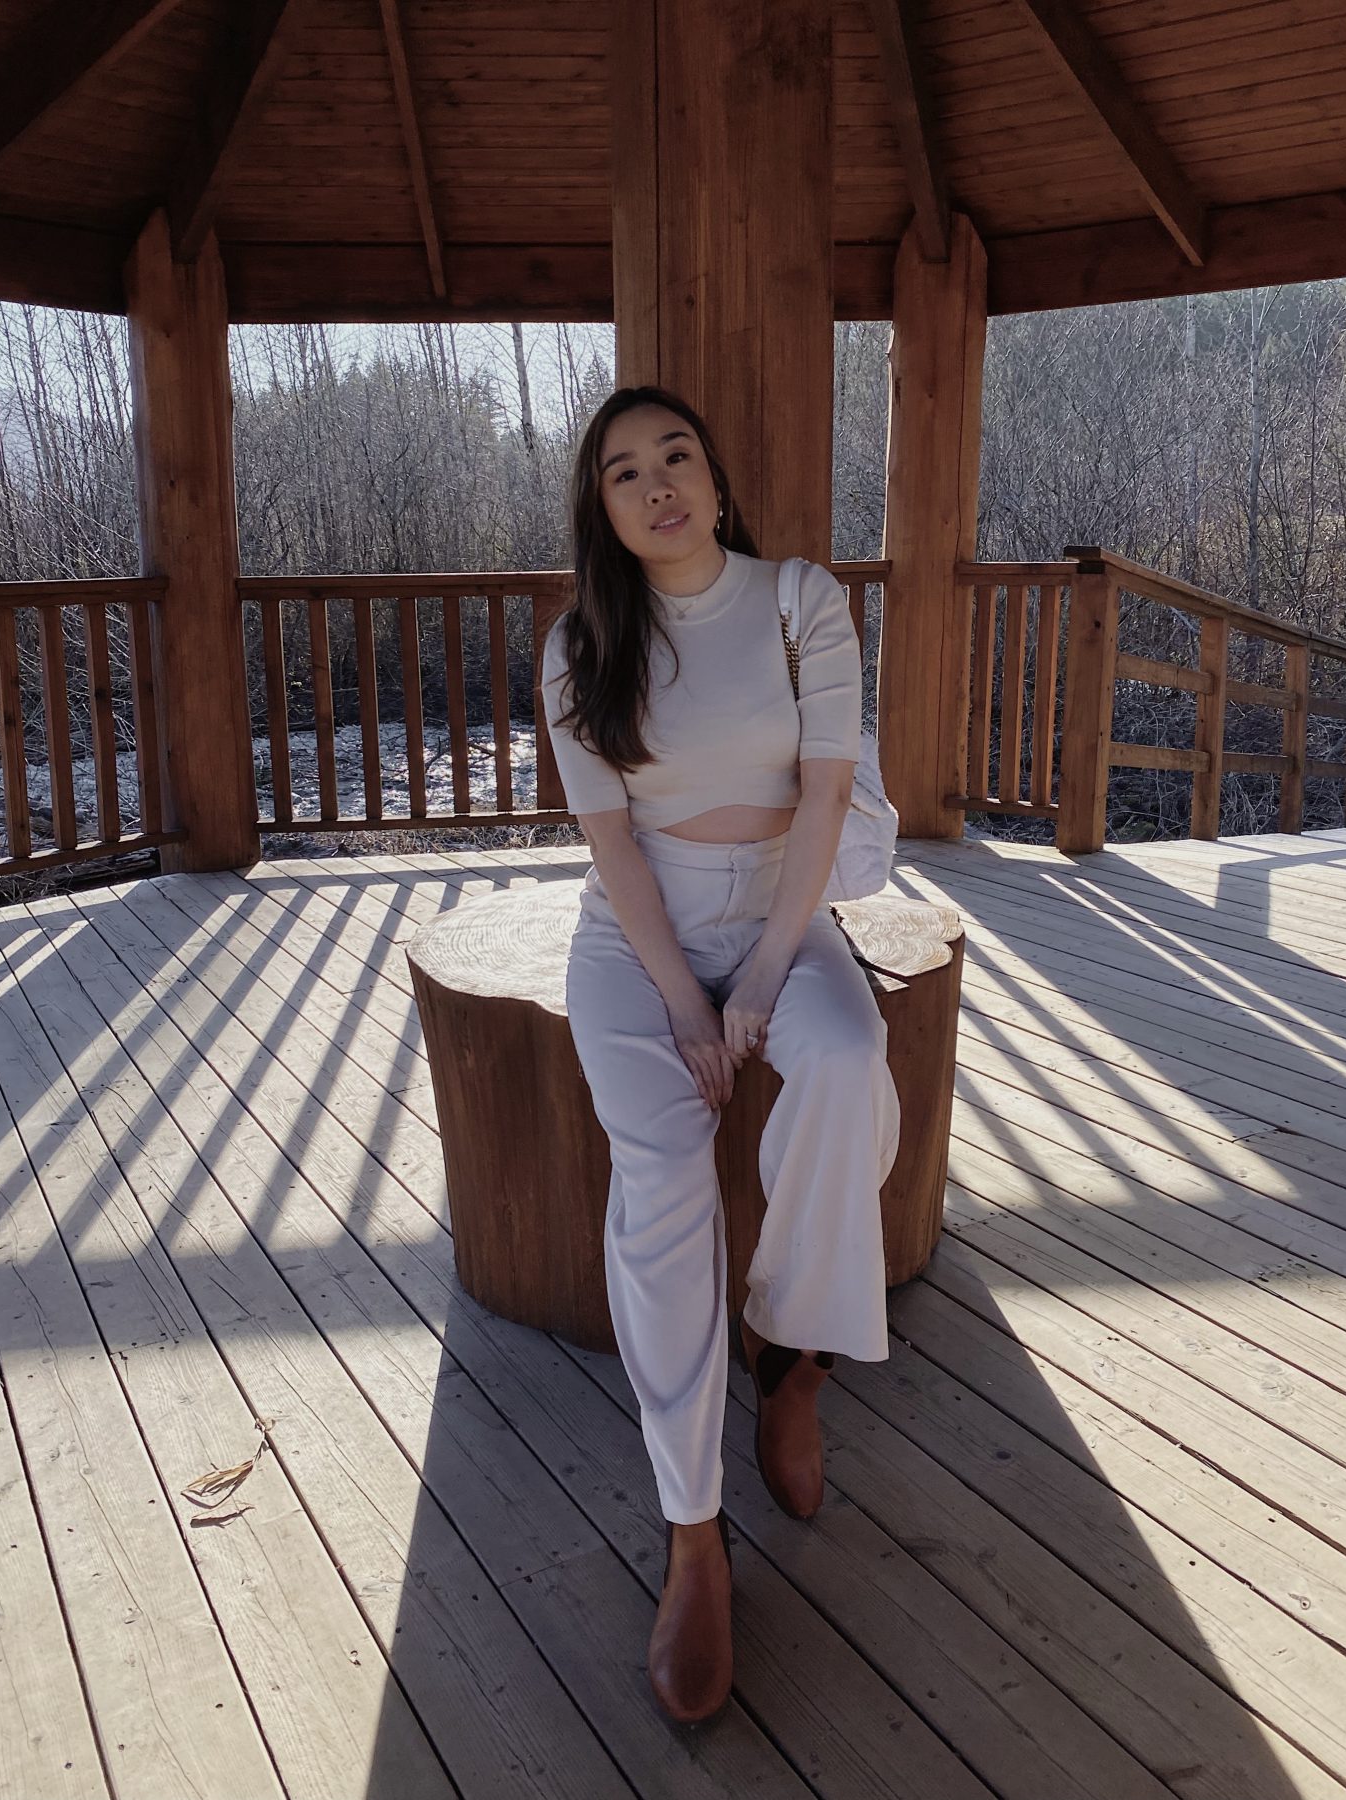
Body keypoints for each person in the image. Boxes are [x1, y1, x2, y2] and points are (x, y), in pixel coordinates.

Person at [540, 385, 901, 1723]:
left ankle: (790, 1355)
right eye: (625, 473)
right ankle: (693, 1534)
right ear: (606, 512)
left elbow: (822, 798)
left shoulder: (801, 600)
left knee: (850, 1058)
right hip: (633, 941)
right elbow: (614, 847)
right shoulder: (579, 644)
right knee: (667, 1170)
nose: (659, 485)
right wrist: (688, 1008)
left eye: (676, 455)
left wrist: (755, 981)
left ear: (714, 474)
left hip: (778, 911)